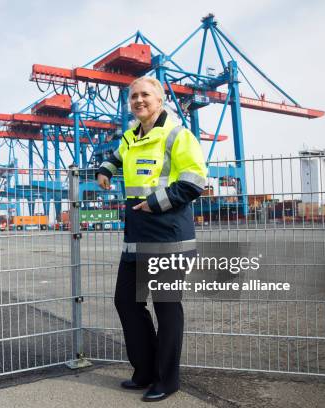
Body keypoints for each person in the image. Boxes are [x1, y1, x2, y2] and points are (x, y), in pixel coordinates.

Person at [96, 76, 207, 402]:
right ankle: (144, 370)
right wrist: (105, 169)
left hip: (169, 237)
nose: (139, 101)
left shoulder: (177, 135)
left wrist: (155, 202)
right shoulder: (130, 137)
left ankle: (167, 379)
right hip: (136, 236)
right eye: (133, 97)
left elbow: (194, 181)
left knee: (166, 307)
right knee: (126, 302)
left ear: (159, 99)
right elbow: (117, 157)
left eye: (145, 95)